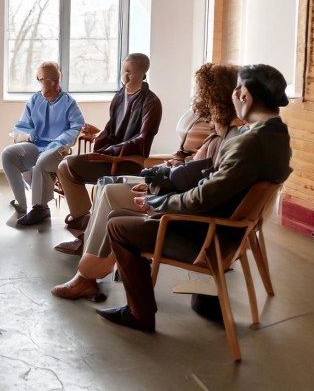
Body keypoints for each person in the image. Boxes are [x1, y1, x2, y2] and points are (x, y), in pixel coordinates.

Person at [98, 64, 292, 332]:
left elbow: (203, 198)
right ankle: (163, 304)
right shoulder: (277, 136)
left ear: (244, 95)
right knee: (119, 215)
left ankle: (139, 313)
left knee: (116, 225)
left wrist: (158, 203)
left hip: (208, 237)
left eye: (236, 91)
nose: (233, 97)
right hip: (227, 229)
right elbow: (217, 186)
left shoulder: (249, 142)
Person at [51, 62, 241, 301]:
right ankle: (87, 254)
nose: (196, 98)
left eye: (200, 91)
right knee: (104, 186)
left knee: (108, 191)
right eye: (124, 70)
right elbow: (196, 166)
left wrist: (158, 193)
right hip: (171, 183)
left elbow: (198, 180)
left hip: (170, 196)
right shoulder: (221, 133)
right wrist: (175, 166)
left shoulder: (224, 137)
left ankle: (87, 274)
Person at [56, 53, 162, 231]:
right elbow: (111, 130)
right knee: (63, 165)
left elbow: (142, 140)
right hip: (110, 155)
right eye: (123, 71)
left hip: (128, 161)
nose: (125, 76)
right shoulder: (120, 97)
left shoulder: (151, 102)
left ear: (143, 73)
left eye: (130, 72)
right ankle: (83, 216)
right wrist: (97, 138)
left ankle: (84, 218)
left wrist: (111, 150)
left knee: (68, 165)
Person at [1, 61, 84, 224]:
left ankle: (40, 208)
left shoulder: (68, 103)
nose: (39, 83)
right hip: (36, 145)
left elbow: (76, 128)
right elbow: (19, 128)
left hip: (58, 150)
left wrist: (57, 143)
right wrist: (28, 135)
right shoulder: (34, 99)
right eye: (39, 79)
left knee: (41, 162)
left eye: (41, 79)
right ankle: (21, 204)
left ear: (55, 81)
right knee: (8, 154)